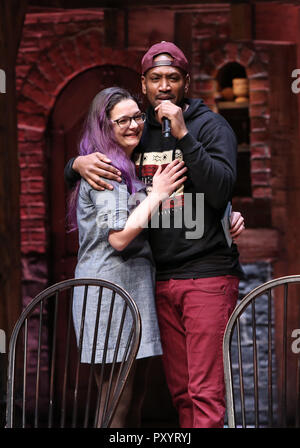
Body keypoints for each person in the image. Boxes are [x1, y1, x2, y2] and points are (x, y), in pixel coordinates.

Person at [65, 42, 245, 428]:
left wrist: (185, 137)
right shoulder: (138, 130)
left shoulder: (210, 126)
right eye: (155, 78)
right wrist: (74, 164)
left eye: (173, 78)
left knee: (204, 394)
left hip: (206, 273)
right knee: (178, 393)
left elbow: (220, 188)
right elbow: (102, 157)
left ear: (186, 83)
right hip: (158, 280)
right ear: (143, 85)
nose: (164, 86)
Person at [70, 86, 187, 428]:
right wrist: (158, 194)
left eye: (138, 116)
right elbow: (119, 237)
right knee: (115, 403)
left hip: (131, 291)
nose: (134, 125)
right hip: (109, 295)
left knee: (134, 399)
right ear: (104, 126)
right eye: (123, 120)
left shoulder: (126, 166)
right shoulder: (105, 171)